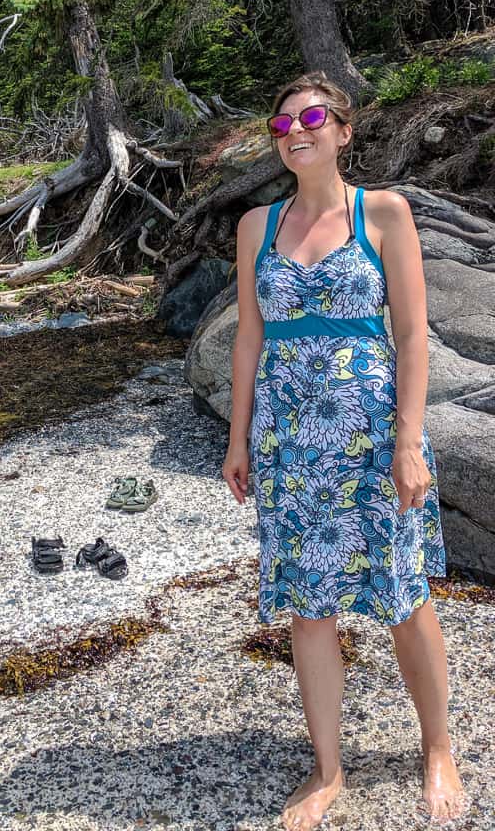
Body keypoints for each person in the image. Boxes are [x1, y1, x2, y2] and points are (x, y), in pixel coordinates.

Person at [221, 72, 468, 831]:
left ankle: (437, 747)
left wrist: (408, 442)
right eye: (282, 124)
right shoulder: (256, 226)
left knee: (404, 598)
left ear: (343, 131)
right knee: (309, 608)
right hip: (289, 445)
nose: (295, 132)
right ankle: (327, 768)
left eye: (312, 118)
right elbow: (249, 337)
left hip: (372, 437)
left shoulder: (383, 213)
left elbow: (413, 336)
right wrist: (237, 438)